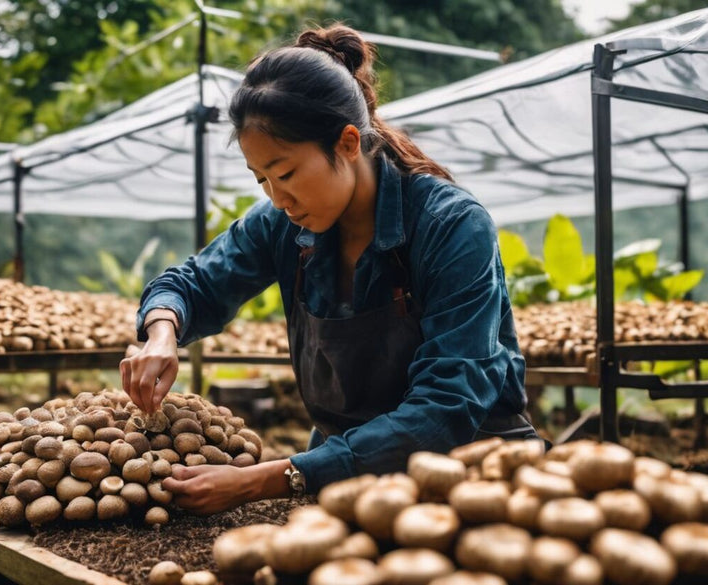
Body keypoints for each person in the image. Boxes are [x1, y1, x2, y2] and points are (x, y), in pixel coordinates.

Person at [119, 24, 535, 514]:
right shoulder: (280, 223)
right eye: (263, 179)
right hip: (342, 481)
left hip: (473, 478)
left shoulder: (453, 227)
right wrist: (163, 332)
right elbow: (191, 283)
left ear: (348, 142)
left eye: (288, 173)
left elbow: (445, 409)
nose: (278, 198)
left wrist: (265, 480)